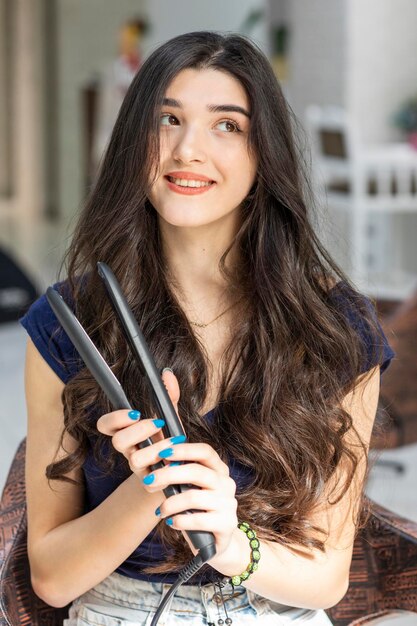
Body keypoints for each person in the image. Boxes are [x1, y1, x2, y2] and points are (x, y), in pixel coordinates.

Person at [20, 31, 394, 625]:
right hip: (122, 612)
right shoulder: (73, 325)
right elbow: (51, 579)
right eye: (168, 119)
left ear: (263, 153)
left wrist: (230, 541)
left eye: (227, 125)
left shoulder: (336, 330)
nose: (187, 149)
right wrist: (152, 490)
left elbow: (326, 576)